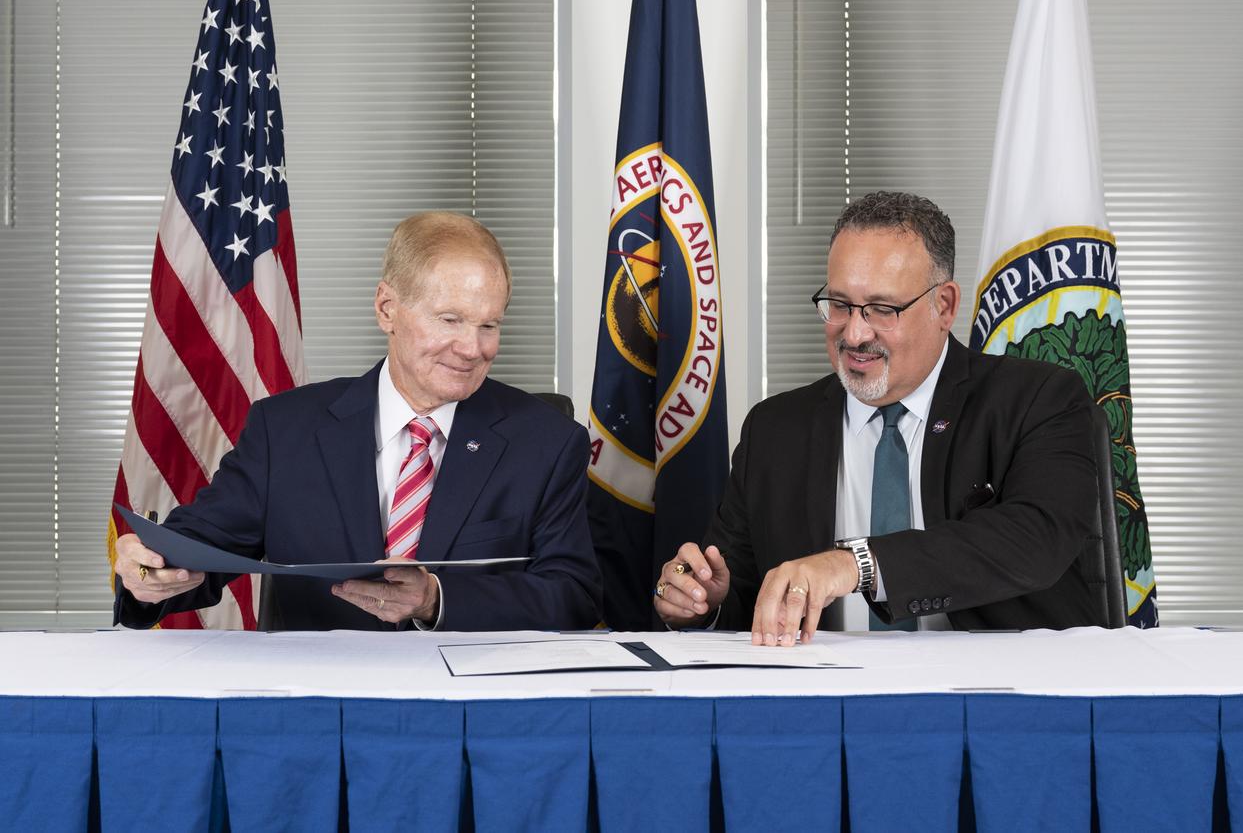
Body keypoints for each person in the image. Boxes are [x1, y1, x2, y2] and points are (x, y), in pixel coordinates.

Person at [114, 211, 602, 631]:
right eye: (450, 320)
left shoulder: (549, 441)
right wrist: (150, 573)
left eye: (489, 325)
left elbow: (574, 595)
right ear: (387, 308)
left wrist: (435, 599)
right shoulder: (284, 430)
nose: (473, 349)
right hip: (316, 707)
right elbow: (199, 548)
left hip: (472, 707)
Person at [653, 191, 1104, 644]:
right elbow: (743, 600)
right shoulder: (774, 429)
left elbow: (1035, 540)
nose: (854, 332)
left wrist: (854, 565)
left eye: (882, 309)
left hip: (1000, 693)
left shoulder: (1040, 399)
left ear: (944, 306)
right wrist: (701, 603)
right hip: (826, 696)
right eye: (840, 304)